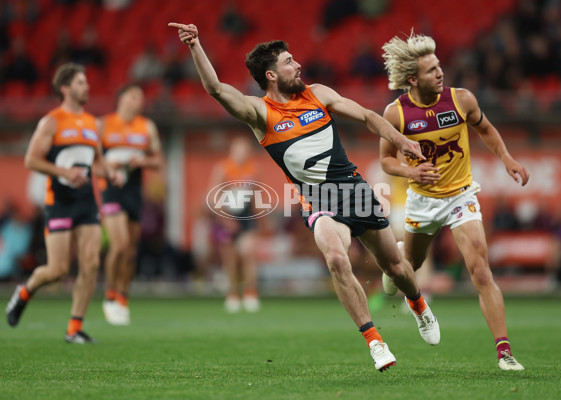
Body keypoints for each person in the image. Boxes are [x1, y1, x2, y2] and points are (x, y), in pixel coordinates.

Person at [168, 22, 440, 372]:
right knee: (337, 259)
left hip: (355, 191)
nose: (297, 65)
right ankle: (375, 342)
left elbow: (369, 117)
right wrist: (195, 45)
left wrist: (402, 141)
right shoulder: (260, 114)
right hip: (319, 202)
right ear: (270, 74)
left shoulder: (318, 94)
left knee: (396, 267)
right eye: (288, 61)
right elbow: (216, 89)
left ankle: (418, 305)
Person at [379, 32, 530, 371]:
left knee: (480, 271)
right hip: (422, 201)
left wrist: (507, 158)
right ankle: (398, 265)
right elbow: (386, 161)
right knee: (409, 268)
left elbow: (486, 130)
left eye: (439, 66)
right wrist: (411, 173)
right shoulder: (395, 114)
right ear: (412, 79)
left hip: (461, 195)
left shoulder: (462, 100)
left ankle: (504, 352)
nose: (440, 72)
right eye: (431, 69)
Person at [5, 62, 123, 343]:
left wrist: (111, 173)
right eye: (81, 83)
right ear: (65, 88)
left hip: (86, 201)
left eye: (86, 82)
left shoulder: (93, 123)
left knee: (91, 263)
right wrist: (63, 173)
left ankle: (74, 328)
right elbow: (31, 160)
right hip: (59, 201)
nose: (87, 87)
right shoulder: (52, 121)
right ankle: (24, 292)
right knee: (57, 270)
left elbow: (97, 163)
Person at [99, 84, 163, 325]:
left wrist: (142, 161)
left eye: (141, 98)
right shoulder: (103, 124)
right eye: (133, 96)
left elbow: (158, 161)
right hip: (111, 191)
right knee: (119, 244)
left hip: (134, 192)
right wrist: (108, 168)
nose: (138, 101)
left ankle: (122, 297)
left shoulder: (147, 127)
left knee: (130, 251)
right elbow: (94, 160)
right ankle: (109, 295)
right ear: (121, 98)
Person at [207, 136, 260, 313]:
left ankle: (250, 292)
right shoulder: (223, 168)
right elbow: (214, 195)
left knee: (248, 253)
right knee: (229, 259)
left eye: (245, 150)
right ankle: (232, 294)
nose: (242, 153)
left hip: (246, 216)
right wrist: (226, 219)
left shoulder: (252, 169)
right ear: (232, 151)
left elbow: (256, 195)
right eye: (238, 149)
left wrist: (258, 217)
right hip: (226, 216)